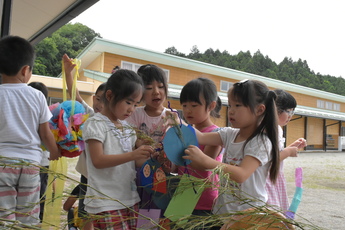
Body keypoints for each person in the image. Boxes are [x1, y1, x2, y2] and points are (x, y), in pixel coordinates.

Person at [182, 79, 280, 215]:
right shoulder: (229, 134)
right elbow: (200, 137)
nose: (231, 111)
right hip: (223, 212)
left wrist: (206, 161)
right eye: (230, 105)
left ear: (259, 110)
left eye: (238, 105)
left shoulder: (260, 142)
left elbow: (241, 174)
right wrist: (178, 123)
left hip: (247, 216)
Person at [0, 35, 60, 227]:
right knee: (28, 215)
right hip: (30, 165)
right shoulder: (36, 96)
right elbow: (45, 133)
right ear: (26, 70)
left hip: (2, 164)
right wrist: (54, 151)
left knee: (4, 215)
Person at [83, 69, 154, 229]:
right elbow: (98, 161)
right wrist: (132, 155)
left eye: (136, 105)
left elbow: (134, 161)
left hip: (129, 198)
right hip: (106, 201)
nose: (132, 109)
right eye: (128, 102)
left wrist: (151, 157)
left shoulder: (127, 127)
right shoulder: (96, 123)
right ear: (109, 96)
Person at [63, 53, 106, 230]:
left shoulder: (118, 125)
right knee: (86, 212)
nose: (98, 102)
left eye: (104, 100)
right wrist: (68, 74)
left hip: (104, 178)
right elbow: (76, 96)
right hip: (88, 175)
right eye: (97, 98)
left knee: (101, 212)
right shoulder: (91, 115)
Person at [178, 78, 223, 218]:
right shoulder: (186, 131)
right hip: (183, 195)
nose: (188, 110)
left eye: (194, 105)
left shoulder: (215, 134)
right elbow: (178, 164)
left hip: (204, 200)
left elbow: (204, 165)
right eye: (184, 105)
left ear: (211, 106)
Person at [265, 89, 307, 213]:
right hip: (268, 177)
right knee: (272, 214)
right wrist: (288, 152)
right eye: (288, 111)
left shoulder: (272, 128)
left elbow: (275, 153)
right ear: (275, 110)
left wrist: (292, 147)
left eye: (292, 112)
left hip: (271, 176)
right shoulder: (272, 129)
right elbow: (269, 159)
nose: (290, 116)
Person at [27, 81, 51, 222]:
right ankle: (36, 217)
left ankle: (38, 217)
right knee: (37, 192)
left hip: (42, 162)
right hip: (37, 161)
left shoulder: (47, 114)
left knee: (40, 192)